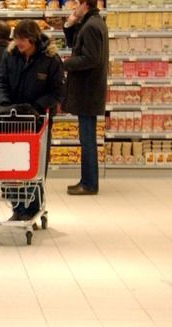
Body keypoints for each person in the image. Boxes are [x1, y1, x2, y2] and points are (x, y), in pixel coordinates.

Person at [0, 19, 64, 221]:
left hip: (37, 120)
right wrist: (5, 104)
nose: (18, 43)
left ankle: (32, 206)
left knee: (35, 164)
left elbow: (58, 92)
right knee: (12, 163)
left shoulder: (51, 59)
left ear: (32, 39)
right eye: (16, 39)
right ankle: (18, 207)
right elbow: (0, 81)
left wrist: (38, 107)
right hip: (12, 118)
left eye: (22, 39)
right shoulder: (9, 55)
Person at [63, 0, 108, 196]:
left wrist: (67, 63)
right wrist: (69, 24)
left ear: (84, 5)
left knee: (87, 138)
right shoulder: (92, 22)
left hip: (88, 90)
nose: (74, 8)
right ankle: (86, 180)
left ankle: (89, 184)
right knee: (86, 137)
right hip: (89, 89)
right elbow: (75, 44)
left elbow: (91, 58)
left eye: (76, 5)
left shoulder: (91, 26)